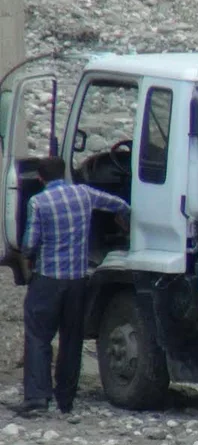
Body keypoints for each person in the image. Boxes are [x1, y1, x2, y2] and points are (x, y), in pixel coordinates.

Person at [15, 156, 129, 416]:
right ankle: (66, 400)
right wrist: (125, 223)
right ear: (64, 173)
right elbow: (120, 204)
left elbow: (30, 243)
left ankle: (37, 399)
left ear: (41, 179)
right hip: (78, 281)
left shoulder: (39, 202)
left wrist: (27, 258)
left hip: (47, 280)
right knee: (71, 339)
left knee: (38, 337)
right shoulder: (84, 194)